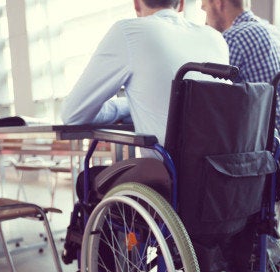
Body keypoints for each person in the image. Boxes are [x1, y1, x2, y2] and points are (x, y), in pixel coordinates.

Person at [60, 0, 229, 200]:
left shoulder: (129, 33)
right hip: (220, 181)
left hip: (172, 183)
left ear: (137, 4)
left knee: (86, 180)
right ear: (181, 4)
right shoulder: (215, 38)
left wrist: (125, 107)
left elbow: (72, 114)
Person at [202, 0, 280, 192]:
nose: (205, 20)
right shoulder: (279, 34)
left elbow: (209, 98)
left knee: (205, 174)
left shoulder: (233, 37)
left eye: (204, 8)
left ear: (219, 3)